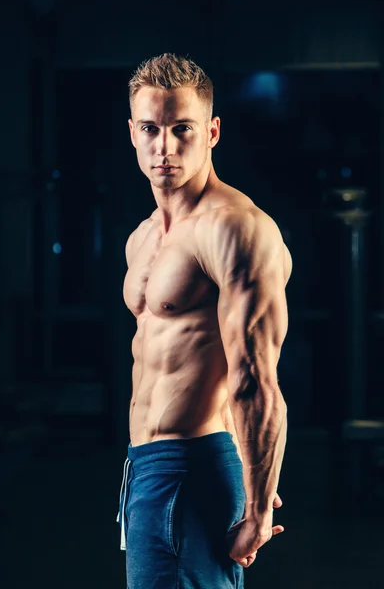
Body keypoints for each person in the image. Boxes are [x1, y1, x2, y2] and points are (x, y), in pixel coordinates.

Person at [116, 53, 292, 589]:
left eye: (181, 129)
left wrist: (258, 509)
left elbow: (255, 380)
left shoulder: (235, 229)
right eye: (150, 129)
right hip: (143, 466)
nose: (164, 147)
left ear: (212, 131)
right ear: (132, 132)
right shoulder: (144, 236)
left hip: (192, 466)